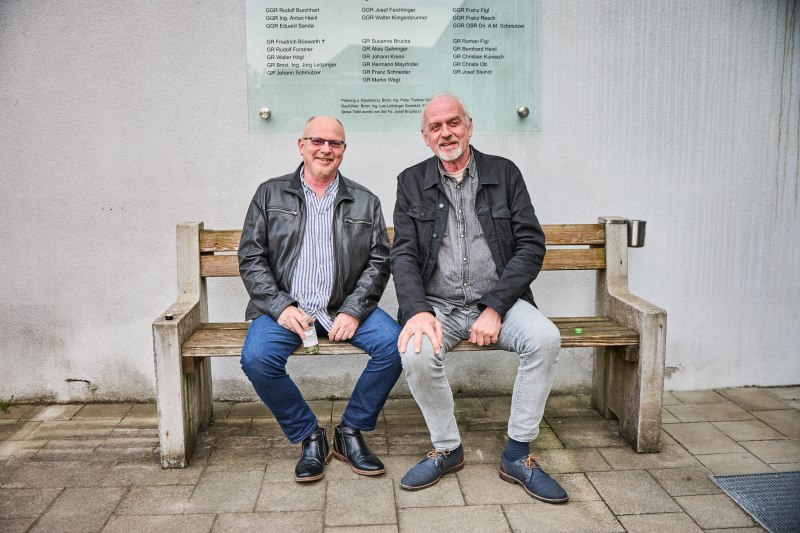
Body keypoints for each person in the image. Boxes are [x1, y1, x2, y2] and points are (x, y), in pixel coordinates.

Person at [390, 93, 568, 503]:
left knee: (545, 339)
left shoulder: (504, 173)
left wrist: (495, 306)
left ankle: (518, 454)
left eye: (453, 122)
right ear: (425, 137)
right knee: (415, 350)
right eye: (435, 127)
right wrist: (417, 311)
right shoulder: (410, 181)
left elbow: (530, 246)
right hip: (439, 305)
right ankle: (447, 449)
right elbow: (404, 254)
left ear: (469, 126)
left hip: (499, 302)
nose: (446, 133)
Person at [238, 115, 402, 483]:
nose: (325, 149)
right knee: (257, 358)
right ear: (302, 145)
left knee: (397, 346)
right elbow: (251, 257)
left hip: (344, 306)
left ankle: (350, 431)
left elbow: (379, 261)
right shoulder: (269, 194)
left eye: (335, 143)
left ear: (343, 150)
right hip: (286, 308)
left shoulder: (365, 201)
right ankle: (309, 435)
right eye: (317, 141)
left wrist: (354, 309)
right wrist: (280, 306)